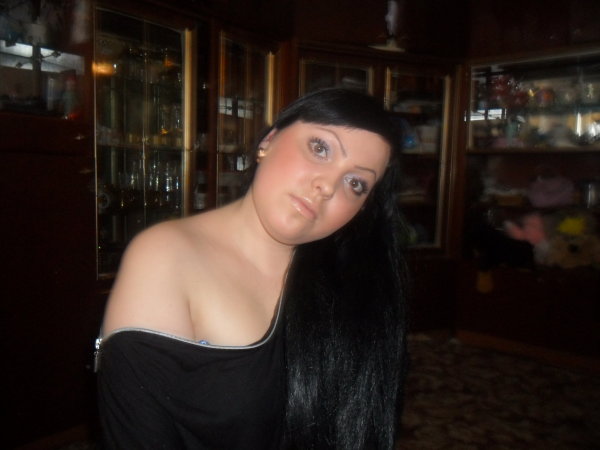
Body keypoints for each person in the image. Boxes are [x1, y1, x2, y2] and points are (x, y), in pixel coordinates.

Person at [95, 88, 410, 449]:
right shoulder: (166, 255)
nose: (326, 186)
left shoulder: (355, 287)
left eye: (356, 183)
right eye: (320, 148)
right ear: (268, 141)